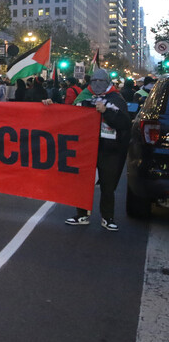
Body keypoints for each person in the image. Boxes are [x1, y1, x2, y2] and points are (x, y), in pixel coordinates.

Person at [44, 68, 131, 231]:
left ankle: (108, 217)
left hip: (109, 149)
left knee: (108, 184)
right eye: (94, 81)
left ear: (108, 83)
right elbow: (69, 114)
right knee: (82, 182)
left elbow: (125, 123)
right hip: (86, 147)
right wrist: (52, 106)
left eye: (101, 82)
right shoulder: (84, 96)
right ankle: (82, 214)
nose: (97, 85)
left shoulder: (116, 99)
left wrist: (107, 112)